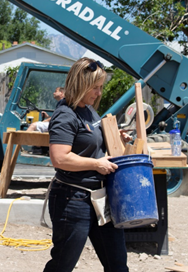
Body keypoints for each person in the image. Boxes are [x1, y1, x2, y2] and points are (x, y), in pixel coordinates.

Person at [43, 57, 130, 272]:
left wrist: (116, 138)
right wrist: (96, 164)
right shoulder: (65, 115)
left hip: (99, 198)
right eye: (95, 88)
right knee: (62, 264)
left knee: (117, 264)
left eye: (101, 87)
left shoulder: (89, 110)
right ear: (80, 85)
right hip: (72, 198)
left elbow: (92, 143)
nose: (99, 93)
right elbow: (59, 158)